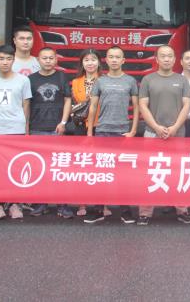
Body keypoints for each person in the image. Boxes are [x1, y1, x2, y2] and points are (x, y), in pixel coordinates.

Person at [136, 45, 190, 226]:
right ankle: (145, 212)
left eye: (170, 56)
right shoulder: (148, 79)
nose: (167, 59)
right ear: (157, 59)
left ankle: (182, 210)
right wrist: (156, 127)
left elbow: (186, 105)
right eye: (163, 56)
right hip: (152, 133)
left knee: (179, 173)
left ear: (175, 59)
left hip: (177, 133)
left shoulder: (182, 80)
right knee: (149, 173)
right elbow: (143, 105)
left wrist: (175, 127)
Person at [84, 46, 140, 225]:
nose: (114, 60)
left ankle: (125, 210)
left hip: (122, 131)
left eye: (118, 57)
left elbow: (136, 107)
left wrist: (133, 130)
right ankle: (97, 209)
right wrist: (90, 132)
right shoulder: (100, 81)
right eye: (111, 57)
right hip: (102, 131)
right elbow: (93, 107)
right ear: (106, 60)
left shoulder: (130, 81)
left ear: (123, 60)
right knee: (101, 173)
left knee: (123, 173)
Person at [0, 44, 32, 220]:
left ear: (13, 60)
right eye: (1, 59)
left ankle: (14, 203)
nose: (5, 62)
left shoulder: (23, 80)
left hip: (17, 129)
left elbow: (26, 105)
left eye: (9, 59)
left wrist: (24, 126)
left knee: (16, 166)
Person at [27, 47, 73, 218]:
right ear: (38, 60)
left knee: (59, 168)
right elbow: (26, 104)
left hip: (57, 129)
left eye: (51, 58)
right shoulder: (30, 79)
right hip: (36, 128)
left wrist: (63, 122)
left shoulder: (62, 77)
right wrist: (26, 128)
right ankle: (41, 203)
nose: (48, 61)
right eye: (44, 58)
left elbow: (68, 100)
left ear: (56, 60)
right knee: (40, 168)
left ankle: (62, 204)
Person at [70, 48, 101, 218]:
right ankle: (82, 202)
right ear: (82, 63)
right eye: (86, 60)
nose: (90, 63)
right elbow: (75, 104)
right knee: (82, 164)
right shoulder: (75, 82)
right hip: (81, 126)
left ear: (99, 62)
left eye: (93, 59)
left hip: (100, 125)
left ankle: (101, 204)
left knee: (100, 165)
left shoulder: (105, 80)